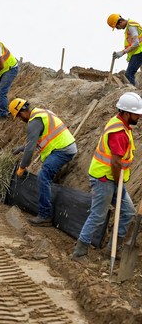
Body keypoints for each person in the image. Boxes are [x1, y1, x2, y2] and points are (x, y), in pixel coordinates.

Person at [72, 92, 141, 259]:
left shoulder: (123, 125)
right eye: (136, 113)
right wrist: (119, 184)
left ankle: (112, 249)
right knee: (98, 215)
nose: (139, 116)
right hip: (104, 178)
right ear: (126, 113)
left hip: (113, 178)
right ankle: (80, 252)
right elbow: (116, 163)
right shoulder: (119, 133)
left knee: (128, 212)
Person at [9, 98, 77, 226]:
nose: (20, 120)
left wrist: (22, 167)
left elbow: (30, 149)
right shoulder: (41, 113)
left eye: (18, 117)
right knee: (46, 174)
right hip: (63, 146)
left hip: (62, 150)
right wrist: (21, 148)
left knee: (43, 176)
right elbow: (38, 141)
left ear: (22, 112)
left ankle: (45, 215)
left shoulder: (34, 122)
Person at [107, 14, 142, 86]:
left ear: (120, 22)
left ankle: (132, 93)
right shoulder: (129, 27)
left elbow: (136, 43)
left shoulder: (131, 26)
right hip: (138, 52)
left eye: (117, 27)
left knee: (129, 74)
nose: (118, 29)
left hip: (139, 52)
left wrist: (122, 52)